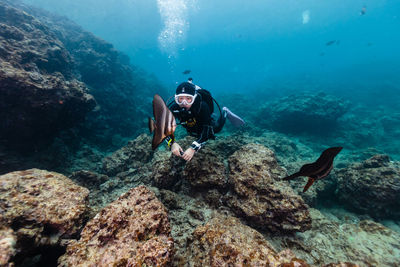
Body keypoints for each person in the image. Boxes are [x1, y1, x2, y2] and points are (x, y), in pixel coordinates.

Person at [165, 81, 245, 161]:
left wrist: (193, 148)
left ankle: (225, 112)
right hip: (190, 125)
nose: (184, 103)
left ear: (194, 97)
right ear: (176, 98)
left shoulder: (202, 106)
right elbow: (162, 127)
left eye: (188, 98)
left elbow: (207, 131)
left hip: (203, 121)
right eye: (180, 99)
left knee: (216, 129)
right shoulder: (173, 108)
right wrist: (172, 143)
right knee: (195, 132)